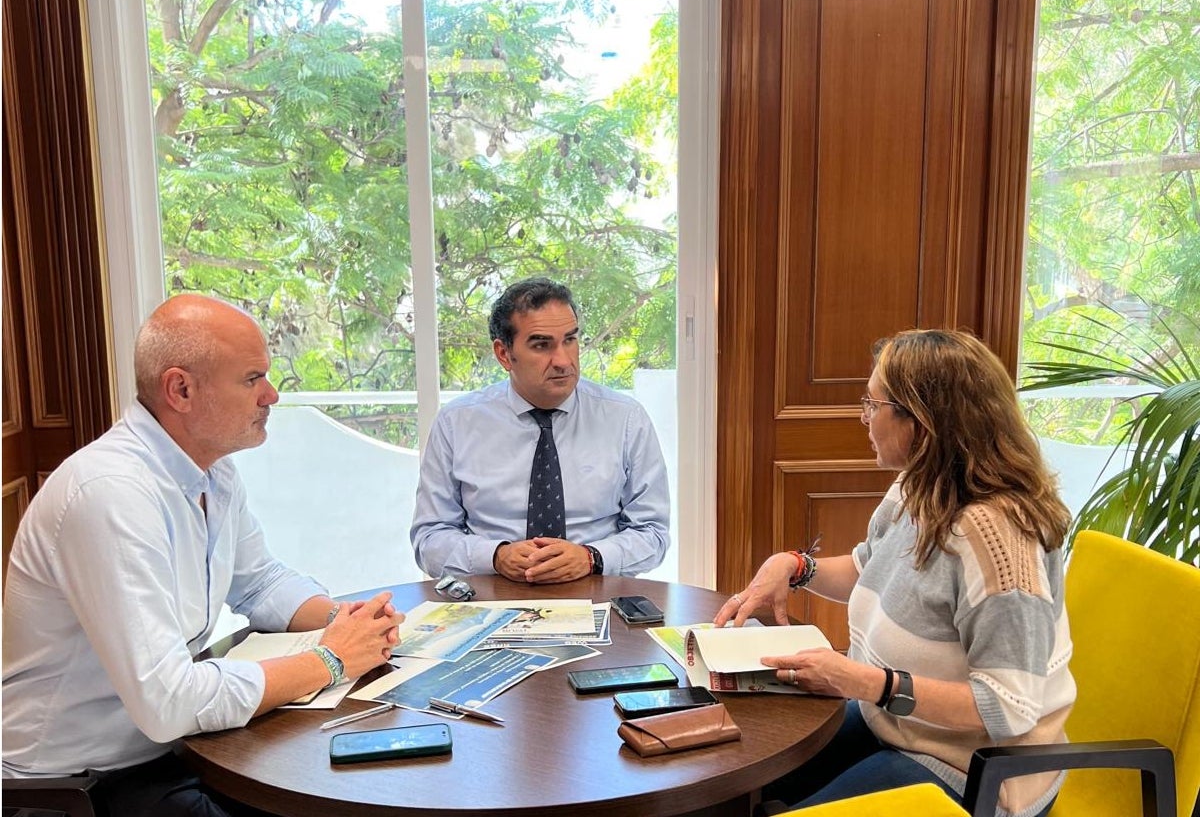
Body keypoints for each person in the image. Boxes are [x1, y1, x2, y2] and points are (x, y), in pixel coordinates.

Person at [2, 295, 403, 817]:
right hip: (79, 785)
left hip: (175, 750)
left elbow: (258, 582)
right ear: (181, 389)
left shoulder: (212, 470)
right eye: (252, 379)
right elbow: (169, 701)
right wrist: (329, 660)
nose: (272, 395)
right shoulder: (110, 494)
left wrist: (350, 622)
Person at [714, 329, 1075, 817]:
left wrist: (866, 682)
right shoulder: (918, 487)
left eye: (872, 403)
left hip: (977, 773)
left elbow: (1009, 707)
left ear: (921, 421)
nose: (863, 417)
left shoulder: (999, 539)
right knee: (736, 775)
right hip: (896, 725)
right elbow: (869, 568)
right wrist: (795, 566)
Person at [411, 277, 670, 584]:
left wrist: (591, 557)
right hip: (491, 598)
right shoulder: (457, 422)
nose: (563, 360)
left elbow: (653, 534)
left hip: (597, 594)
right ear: (504, 354)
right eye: (542, 345)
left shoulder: (626, 419)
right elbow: (429, 538)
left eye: (570, 340)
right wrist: (495, 556)